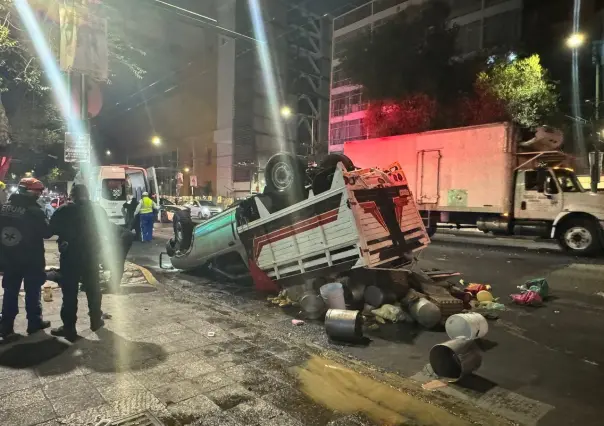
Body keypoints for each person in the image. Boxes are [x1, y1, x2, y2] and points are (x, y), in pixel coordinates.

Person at [49, 184, 111, 341]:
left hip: (70, 257)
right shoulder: (98, 210)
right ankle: (96, 321)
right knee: (93, 289)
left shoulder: (64, 210)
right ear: (88, 195)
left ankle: (69, 328)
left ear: (72, 195)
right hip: (91, 256)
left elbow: (49, 230)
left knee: (69, 293)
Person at [0, 178, 52, 341]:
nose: (39, 194)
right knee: (32, 292)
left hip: (9, 259)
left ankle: (6, 327)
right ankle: (34, 323)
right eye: (37, 191)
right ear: (28, 191)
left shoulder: (3, 208)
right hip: (31, 259)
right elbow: (46, 232)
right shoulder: (33, 210)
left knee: (10, 292)